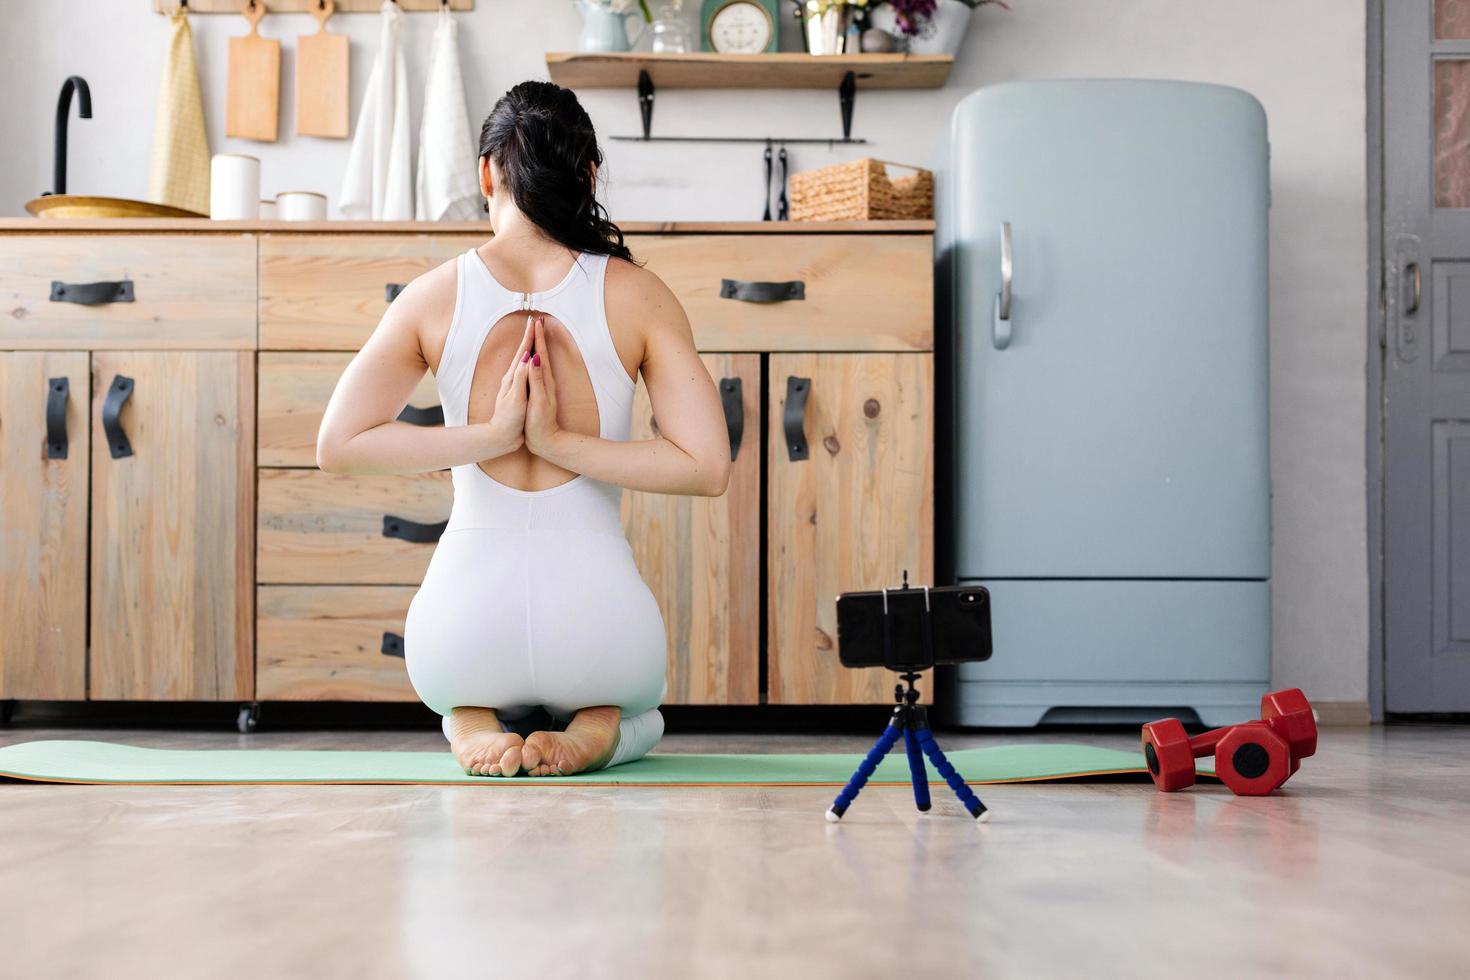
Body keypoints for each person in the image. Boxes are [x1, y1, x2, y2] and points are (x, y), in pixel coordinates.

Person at [316, 81, 730, 777]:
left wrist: (487, 437)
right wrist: (558, 443)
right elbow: (707, 467)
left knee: (457, 693)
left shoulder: (432, 295)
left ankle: (469, 719)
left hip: (461, 634)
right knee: (642, 709)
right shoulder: (637, 294)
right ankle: (602, 725)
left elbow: (338, 447)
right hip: (601, 634)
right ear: (589, 175)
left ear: (486, 173)